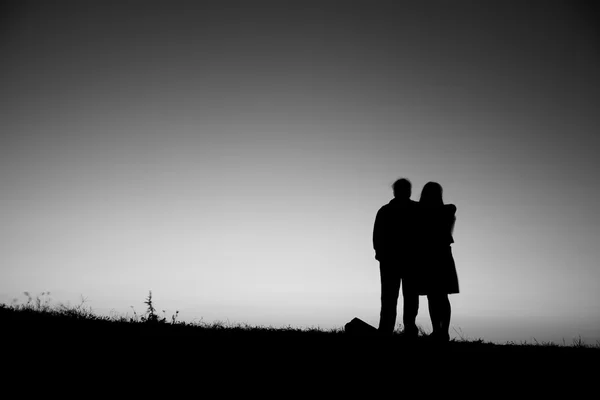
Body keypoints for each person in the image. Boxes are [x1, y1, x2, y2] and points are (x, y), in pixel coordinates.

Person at [373, 178, 419, 337]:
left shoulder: (386, 210)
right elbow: (377, 236)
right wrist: (380, 255)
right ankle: (393, 329)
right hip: (395, 261)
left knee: (400, 297)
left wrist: (380, 255)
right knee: (393, 297)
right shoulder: (414, 209)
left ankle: (398, 328)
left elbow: (377, 236)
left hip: (403, 261)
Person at [416, 182, 459, 343]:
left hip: (437, 255)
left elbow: (450, 208)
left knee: (439, 295)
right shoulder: (423, 211)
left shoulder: (446, 209)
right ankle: (438, 331)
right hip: (433, 255)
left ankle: (443, 331)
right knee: (435, 295)